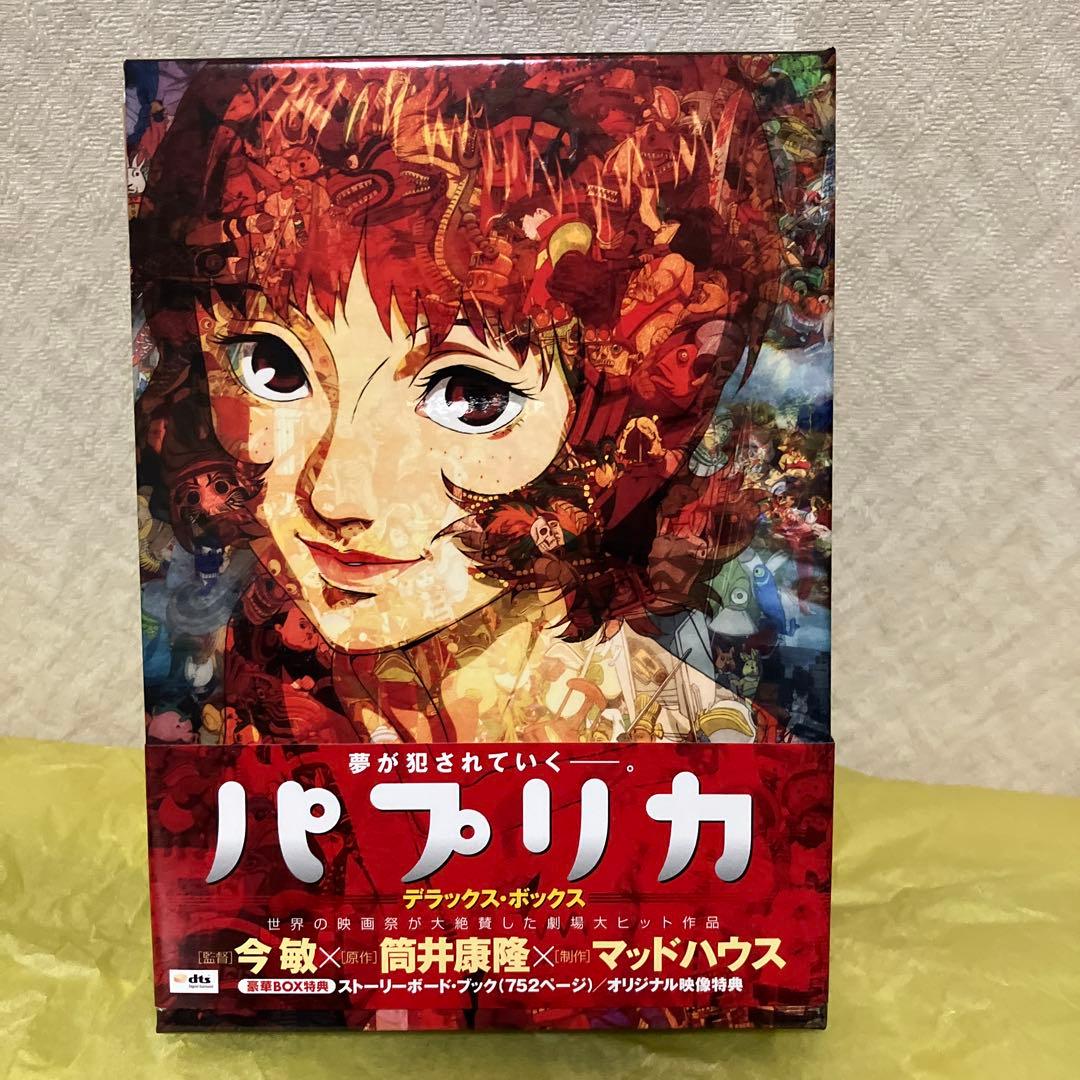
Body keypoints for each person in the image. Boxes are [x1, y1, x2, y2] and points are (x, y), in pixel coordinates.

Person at [131, 57, 791, 746]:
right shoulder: (240, 686)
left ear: (628, 418)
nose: (334, 495)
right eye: (273, 367)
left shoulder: (706, 754)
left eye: (472, 396)